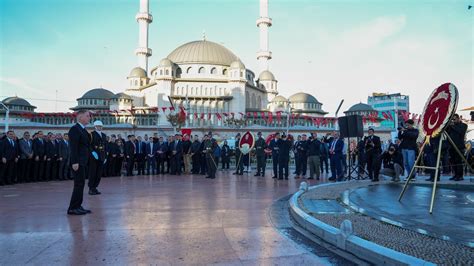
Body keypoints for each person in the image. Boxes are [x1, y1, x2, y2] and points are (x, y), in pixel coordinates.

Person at [67, 110, 92, 215]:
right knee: (78, 184)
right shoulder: (75, 129)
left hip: (83, 162)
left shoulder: (83, 130)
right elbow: (73, 148)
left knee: (81, 184)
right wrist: (75, 162)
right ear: (80, 117)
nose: (89, 118)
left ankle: (78, 205)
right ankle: (72, 208)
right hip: (78, 162)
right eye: (87, 116)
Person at [446, 114, 468, 181]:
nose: (453, 121)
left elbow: (461, 132)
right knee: (453, 162)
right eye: (452, 119)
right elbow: (447, 132)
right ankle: (455, 175)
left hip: (459, 146)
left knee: (458, 161)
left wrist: (452, 126)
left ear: (458, 119)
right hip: (451, 146)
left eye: (454, 119)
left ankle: (460, 176)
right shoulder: (452, 126)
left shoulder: (464, 125)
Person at [88, 120, 107, 195]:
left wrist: (105, 156)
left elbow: (105, 146)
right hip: (94, 157)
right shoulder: (91, 134)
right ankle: (91, 188)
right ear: (95, 127)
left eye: (100, 126)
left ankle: (95, 187)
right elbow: (89, 145)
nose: (99, 127)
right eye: (98, 126)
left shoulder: (104, 135)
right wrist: (92, 152)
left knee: (98, 174)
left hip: (101, 156)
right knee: (92, 173)